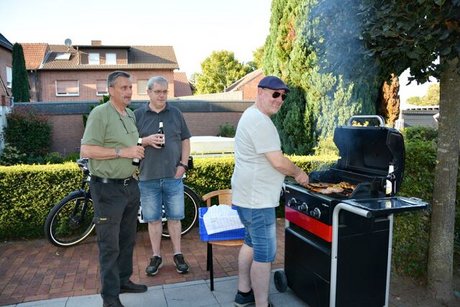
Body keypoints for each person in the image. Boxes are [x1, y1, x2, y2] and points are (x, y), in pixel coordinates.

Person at [231, 76, 309, 307]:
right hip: (258, 201)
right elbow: (278, 161)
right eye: (275, 94)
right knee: (264, 254)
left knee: (250, 242)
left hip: (247, 198)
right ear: (261, 92)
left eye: (283, 96)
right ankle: (261, 303)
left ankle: (243, 294)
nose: (280, 100)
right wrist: (298, 173)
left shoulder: (251, 115)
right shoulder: (259, 121)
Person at [80, 70, 147, 307]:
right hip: (107, 191)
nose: (129, 92)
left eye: (130, 87)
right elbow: (86, 150)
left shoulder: (129, 114)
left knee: (128, 239)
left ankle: (123, 280)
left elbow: (131, 145)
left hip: (130, 186)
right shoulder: (100, 114)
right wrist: (122, 152)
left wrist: (140, 146)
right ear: (111, 90)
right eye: (123, 88)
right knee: (109, 245)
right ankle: (110, 298)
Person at [134, 76, 192, 277]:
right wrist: (145, 140)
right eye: (157, 91)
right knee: (153, 219)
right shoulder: (137, 115)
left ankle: (178, 254)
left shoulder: (175, 113)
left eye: (165, 91)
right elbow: (129, 142)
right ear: (148, 92)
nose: (161, 95)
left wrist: (183, 165)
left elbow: (185, 140)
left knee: (175, 218)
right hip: (147, 177)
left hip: (173, 176)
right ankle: (156, 256)